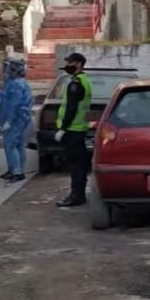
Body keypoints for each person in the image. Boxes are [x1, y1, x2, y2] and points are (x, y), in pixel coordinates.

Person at [54, 52, 93, 208]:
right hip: (79, 129)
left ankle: (76, 196)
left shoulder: (76, 82)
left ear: (78, 64)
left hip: (73, 130)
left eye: (70, 62)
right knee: (80, 163)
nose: (67, 65)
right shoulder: (85, 80)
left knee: (76, 165)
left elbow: (71, 107)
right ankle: (79, 194)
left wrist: (63, 128)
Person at [0, 58, 33, 183]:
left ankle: (17, 172)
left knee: (11, 145)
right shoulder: (15, 83)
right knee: (18, 145)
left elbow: (14, 104)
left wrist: (9, 121)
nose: (6, 71)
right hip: (20, 119)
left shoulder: (16, 84)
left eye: (9, 69)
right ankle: (14, 169)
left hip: (15, 120)